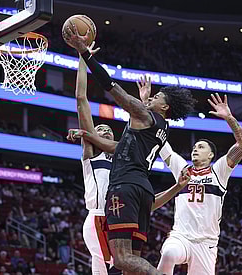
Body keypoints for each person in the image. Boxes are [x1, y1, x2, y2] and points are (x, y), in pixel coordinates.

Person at [64, 22, 195, 273]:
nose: (152, 97)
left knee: (122, 259)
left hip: (125, 187)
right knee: (130, 268)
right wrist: (87, 135)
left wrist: (84, 52)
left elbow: (109, 85)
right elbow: (122, 145)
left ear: (165, 107)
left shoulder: (144, 116)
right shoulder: (161, 128)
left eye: (157, 97)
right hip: (143, 192)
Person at [155, 93, 242, 275]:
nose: (195, 150)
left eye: (200, 147)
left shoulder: (219, 171)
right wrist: (150, 114)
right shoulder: (182, 169)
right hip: (181, 237)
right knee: (168, 253)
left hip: (206, 243)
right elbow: (162, 144)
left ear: (211, 155)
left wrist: (229, 118)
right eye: (194, 147)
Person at [72, 53, 117, 275]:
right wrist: (83, 58)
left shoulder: (121, 156)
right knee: (110, 269)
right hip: (98, 216)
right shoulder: (91, 154)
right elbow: (81, 99)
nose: (105, 130)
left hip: (118, 218)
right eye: (99, 130)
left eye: (108, 129)